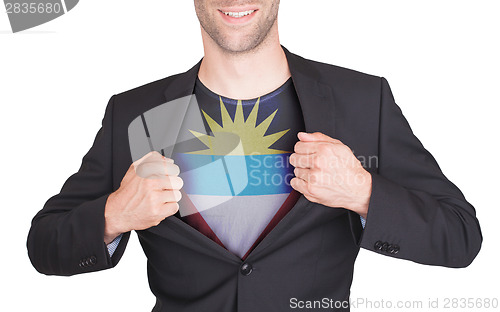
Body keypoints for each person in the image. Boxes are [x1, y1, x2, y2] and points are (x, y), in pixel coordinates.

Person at [27, 1, 482, 311]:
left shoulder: (362, 101)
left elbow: (460, 236)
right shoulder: (136, 113)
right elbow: (44, 245)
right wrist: (114, 214)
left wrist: (363, 192)